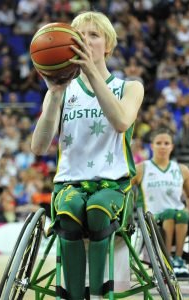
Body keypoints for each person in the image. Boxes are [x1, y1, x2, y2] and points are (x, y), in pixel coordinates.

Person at [31, 11, 144, 300]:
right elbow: (38, 147)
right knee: (68, 215)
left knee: (98, 211)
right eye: (79, 35)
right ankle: (72, 295)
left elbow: (120, 122)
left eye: (93, 35)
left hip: (113, 185)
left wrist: (92, 73)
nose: (85, 40)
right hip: (69, 184)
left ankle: (99, 293)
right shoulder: (62, 92)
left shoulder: (130, 87)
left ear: (108, 45)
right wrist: (55, 94)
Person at [131, 127, 189, 277]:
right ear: (151, 145)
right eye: (159, 143)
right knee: (169, 214)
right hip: (152, 218)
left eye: (167, 143)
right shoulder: (141, 168)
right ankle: (166, 260)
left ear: (172, 147)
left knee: (181, 214)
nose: (163, 146)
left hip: (179, 218)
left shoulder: (181, 170)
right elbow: (126, 190)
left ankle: (178, 260)